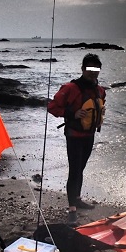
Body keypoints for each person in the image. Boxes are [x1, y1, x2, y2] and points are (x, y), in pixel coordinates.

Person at [48, 53, 106, 225]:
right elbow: (52, 107)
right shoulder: (70, 88)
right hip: (74, 135)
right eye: (89, 69)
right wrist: (72, 113)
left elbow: (100, 105)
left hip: (89, 135)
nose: (93, 73)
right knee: (74, 170)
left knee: (81, 168)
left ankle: (78, 198)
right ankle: (72, 208)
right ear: (82, 69)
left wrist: (100, 114)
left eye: (96, 69)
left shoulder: (100, 90)